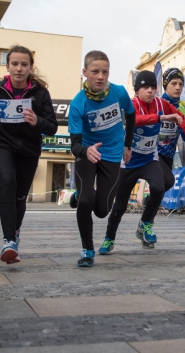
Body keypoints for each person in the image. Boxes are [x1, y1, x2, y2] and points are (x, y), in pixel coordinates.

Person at [0, 45, 57, 264]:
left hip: (29, 150)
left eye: (24, 64)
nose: (19, 68)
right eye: (15, 64)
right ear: (8, 66)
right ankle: (8, 240)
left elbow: (52, 126)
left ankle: (15, 231)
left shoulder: (40, 93)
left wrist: (37, 121)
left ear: (30, 67)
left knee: (20, 196)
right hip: (3, 145)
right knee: (8, 182)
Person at [101, 70, 185, 254]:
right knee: (119, 207)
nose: (150, 91)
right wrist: (160, 118)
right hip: (129, 162)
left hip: (150, 158)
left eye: (152, 87)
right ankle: (109, 239)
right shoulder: (132, 104)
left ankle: (145, 223)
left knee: (159, 187)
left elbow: (179, 118)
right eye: (145, 88)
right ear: (137, 91)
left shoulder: (160, 103)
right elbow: (135, 120)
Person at [68, 50, 135, 267]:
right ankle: (87, 250)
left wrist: (127, 144)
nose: (100, 76)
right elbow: (74, 145)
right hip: (87, 153)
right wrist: (85, 151)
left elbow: (132, 114)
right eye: (95, 71)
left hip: (113, 154)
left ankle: (81, 194)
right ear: (85, 72)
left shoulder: (119, 93)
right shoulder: (78, 103)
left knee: (102, 210)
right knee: (87, 202)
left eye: (104, 72)